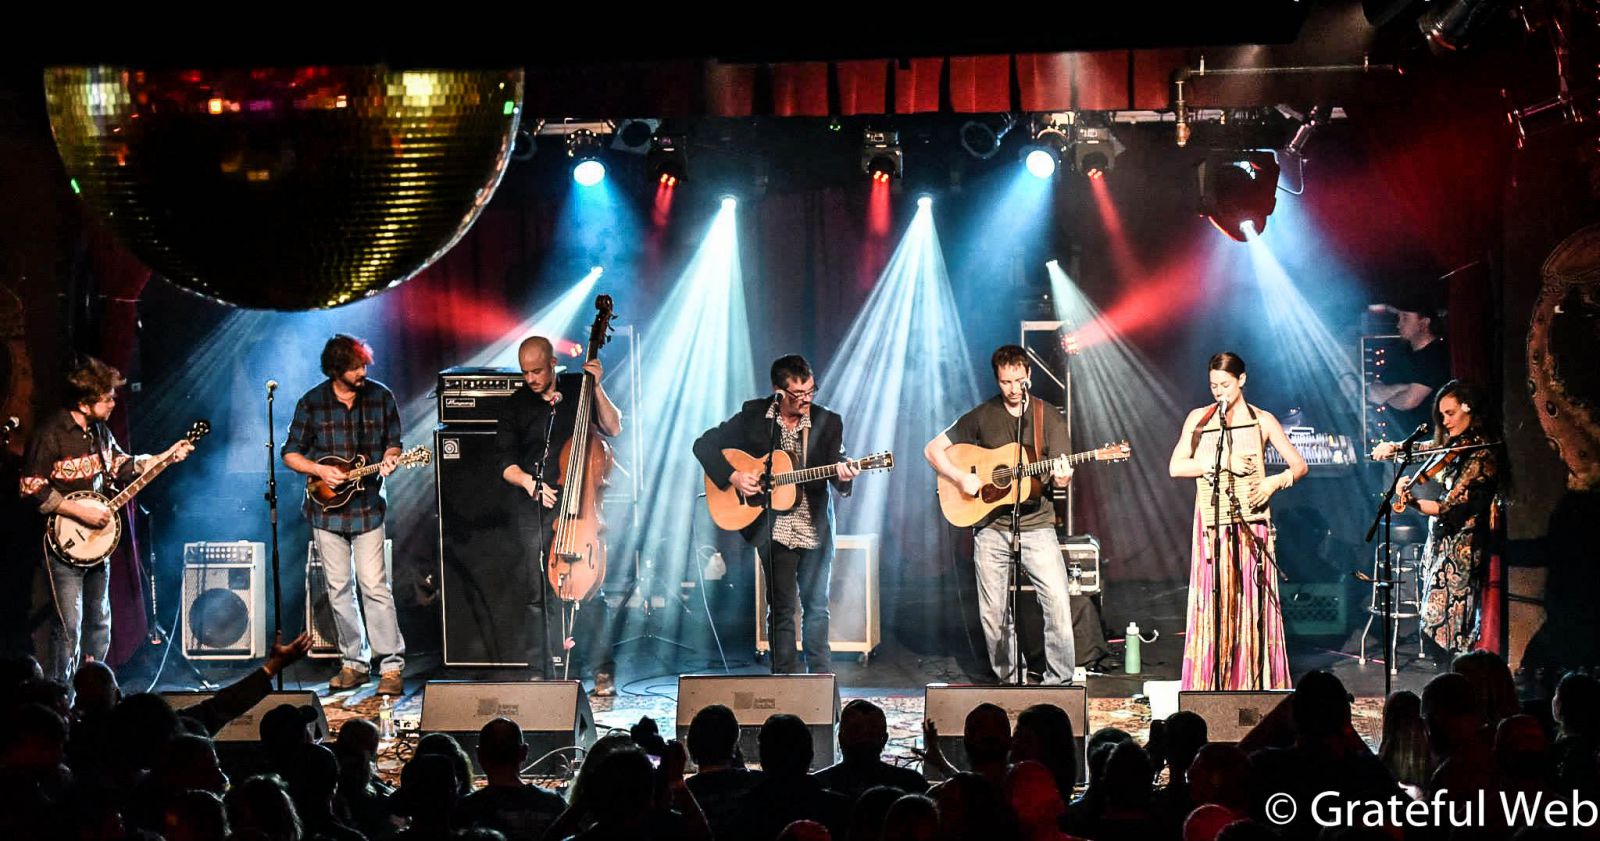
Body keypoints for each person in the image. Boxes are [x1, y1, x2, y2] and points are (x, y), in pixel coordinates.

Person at [20, 355, 193, 684]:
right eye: (107, 397)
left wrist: (165, 457)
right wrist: (80, 511)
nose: (114, 402)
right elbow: (31, 488)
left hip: (96, 546)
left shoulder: (99, 433)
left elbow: (122, 466)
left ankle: (92, 689)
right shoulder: (51, 434)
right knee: (68, 625)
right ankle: (61, 696)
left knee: (99, 623)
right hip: (61, 546)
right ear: (85, 403)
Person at [693, 354, 855, 675]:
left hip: (813, 527)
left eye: (811, 391)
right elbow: (704, 444)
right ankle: (784, 681)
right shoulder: (754, 415)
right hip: (774, 528)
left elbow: (835, 467)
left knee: (817, 609)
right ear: (778, 392)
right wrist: (735, 476)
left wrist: (844, 475)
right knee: (780, 610)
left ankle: (822, 681)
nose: (807, 399)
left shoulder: (828, 421)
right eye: (798, 394)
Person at [924, 345, 1075, 685]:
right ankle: (1012, 682)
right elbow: (932, 449)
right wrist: (962, 478)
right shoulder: (981, 415)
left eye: (1019, 381)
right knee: (993, 613)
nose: (1013, 389)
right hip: (990, 526)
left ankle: (1060, 682)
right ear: (997, 379)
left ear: (1029, 377)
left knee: (1057, 602)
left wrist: (1063, 475)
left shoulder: (1047, 416)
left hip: (1037, 525)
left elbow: (1061, 475)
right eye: (1006, 382)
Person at [1168, 352, 1307, 690]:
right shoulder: (1199, 419)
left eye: (1226, 384)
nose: (1220, 392)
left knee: (1251, 602)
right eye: (1214, 385)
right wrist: (1223, 461)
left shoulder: (1262, 421)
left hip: (1251, 521)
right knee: (1215, 601)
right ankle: (1213, 683)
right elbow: (1176, 466)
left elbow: (1299, 465)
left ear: (1241, 380)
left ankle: (1251, 681)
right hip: (1213, 523)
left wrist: (1273, 482)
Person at [496, 336, 622, 691]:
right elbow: (504, 462)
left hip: (580, 510)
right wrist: (528, 482)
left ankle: (602, 668)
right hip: (535, 507)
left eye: (537, 370)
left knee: (590, 590)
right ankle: (540, 668)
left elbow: (613, 428)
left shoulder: (578, 389)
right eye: (525, 373)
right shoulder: (516, 405)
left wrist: (596, 386)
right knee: (538, 591)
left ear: (553, 363)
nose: (531, 379)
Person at [282, 334, 407, 695]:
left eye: (365, 364)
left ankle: (391, 667)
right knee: (338, 589)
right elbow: (291, 454)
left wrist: (392, 458)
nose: (363, 372)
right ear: (336, 370)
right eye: (355, 367)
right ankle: (353, 662)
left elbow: (394, 440)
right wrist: (320, 471)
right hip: (325, 511)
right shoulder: (312, 403)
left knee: (375, 587)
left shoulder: (380, 396)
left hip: (367, 507)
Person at [1385, 380, 1503, 658]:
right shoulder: (1458, 447)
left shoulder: (1482, 456)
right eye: (1442, 415)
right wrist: (1394, 447)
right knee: (1434, 622)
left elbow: (1449, 507)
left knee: (1450, 630)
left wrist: (1411, 501)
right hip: (1440, 545)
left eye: (1450, 414)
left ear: (1469, 409)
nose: (1445, 421)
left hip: (1461, 552)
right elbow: (1431, 447)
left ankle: (1455, 685)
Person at [1366, 297, 1449, 439]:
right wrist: (1401, 388)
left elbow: (1409, 401)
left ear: (1424, 323)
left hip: (1425, 442)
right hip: (1398, 441)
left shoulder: (1436, 355)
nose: (1399, 324)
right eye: (1399, 317)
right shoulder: (1400, 353)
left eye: (1405, 318)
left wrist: (1387, 394)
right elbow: (1373, 392)